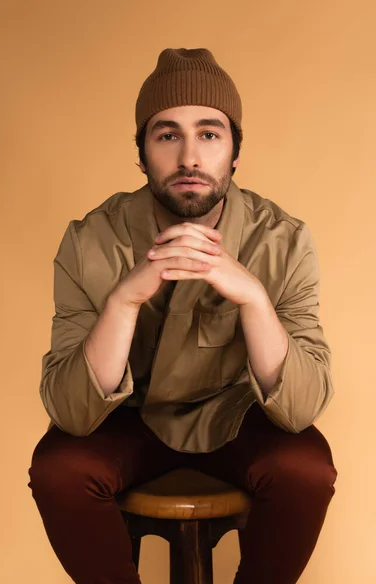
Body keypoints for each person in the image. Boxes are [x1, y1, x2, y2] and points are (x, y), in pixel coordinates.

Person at [28, 48, 337, 584]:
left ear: (235, 151)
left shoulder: (283, 240)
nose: (189, 157)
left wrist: (253, 299)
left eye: (210, 134)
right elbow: (72, 412)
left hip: (236, 418)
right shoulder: (89, 241)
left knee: (306, 469)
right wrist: (125, 300)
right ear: (142, 153)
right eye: (167, 135)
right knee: (60, 468)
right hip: (129, 420)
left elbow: (302, 407)